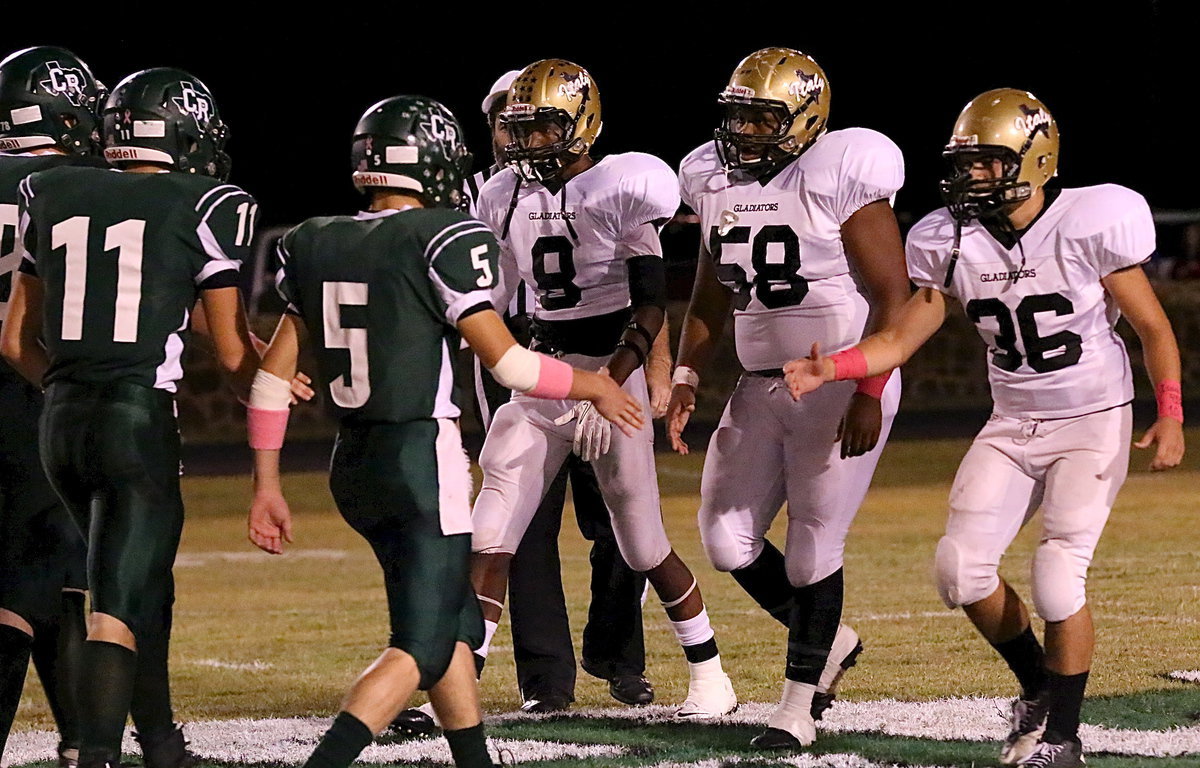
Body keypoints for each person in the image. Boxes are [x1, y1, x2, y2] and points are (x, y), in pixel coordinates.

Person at [783, 88, 1185, 768]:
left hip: (1092, 418)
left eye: (988, 164)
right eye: (965, 164)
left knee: (1059, 573)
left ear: (1035, 158)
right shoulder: (948, 238)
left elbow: (1151, 325)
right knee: (960, 571)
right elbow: (907, 330)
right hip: (1013, 419)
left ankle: (1063, 736)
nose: (971, 178)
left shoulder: (1092, 217)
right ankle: (1035, 686)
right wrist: (840, 369)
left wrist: (1169, 411)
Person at [243, 94, 642, 768]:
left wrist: (266, 484)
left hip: (353, 463)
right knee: (423, 646)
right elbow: (510, 363)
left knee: (453, 625)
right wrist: (595, 382)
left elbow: (270, 380)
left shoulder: (314, 239)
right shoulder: (440, 236)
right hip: (419, 464)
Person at [1, 67, 263, 768]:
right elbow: (233, 351)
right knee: (115, 600)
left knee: (120, 579)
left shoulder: (49, 189)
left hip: (59, 420)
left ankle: (161, 744)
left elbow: (16, 341)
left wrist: (65, 386)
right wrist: (274, 384)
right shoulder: (207, 201)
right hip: (135, 420)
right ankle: (97, 755)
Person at [470, 59, 737, 719]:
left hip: (610, 378)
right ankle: (454, 684)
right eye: (520, 130)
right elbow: (501, 300)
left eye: (543, 128)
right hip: (541, 376)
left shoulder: (624, 184)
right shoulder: (504, 195)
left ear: (582, 124)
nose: (527, 143)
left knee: (641, 542)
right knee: (489, 537)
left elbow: (650, 307)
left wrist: (608, 383)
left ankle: (710, 675)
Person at [666, 46, 910, 749]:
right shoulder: (713, 178)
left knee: (811, 552)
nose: (743, 131)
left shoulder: (841, 171)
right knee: (725, 540)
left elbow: (895, 298)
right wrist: (687, 376)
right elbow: (713, 289)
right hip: (757, 387)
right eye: (737, 114)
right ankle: (831, 642)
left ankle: (797, 709)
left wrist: (869, 386)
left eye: (762, 117)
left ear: (805, 119)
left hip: (835, 385)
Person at [0, 45, 103, 768]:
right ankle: (85, 741)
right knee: (55, 576)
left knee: (33, 573)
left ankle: (80, 741)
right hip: (36, 387)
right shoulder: (72, 185)